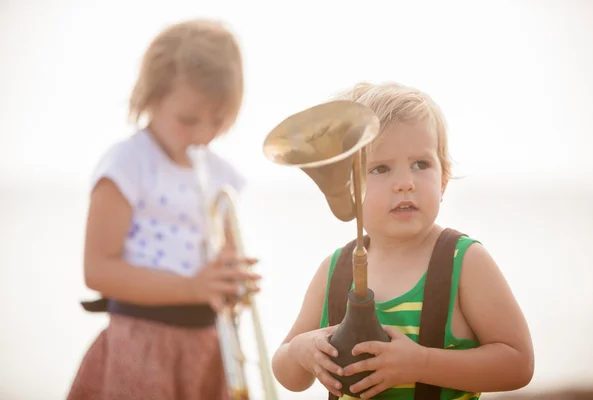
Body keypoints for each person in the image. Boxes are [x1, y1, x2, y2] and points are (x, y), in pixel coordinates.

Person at [271, 82, 535, 399]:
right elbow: (290, 377)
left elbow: (518, 365)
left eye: (421, 164)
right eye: (380, 168)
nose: (405, 184)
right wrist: (301, 352)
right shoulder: (334, 270)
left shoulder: (464, 262)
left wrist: (420, 364)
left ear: (444, 179)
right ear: (347, 186)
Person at [67, 19, 260, 400]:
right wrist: (191, 287)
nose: (203, 134)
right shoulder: (127, 164)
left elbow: (221, 263)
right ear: (151, 97)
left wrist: (233, 282)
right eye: (188, 119)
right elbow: (97, 270)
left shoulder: (222, 176)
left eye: (218, 121)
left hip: (207, 347)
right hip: (142, 342)